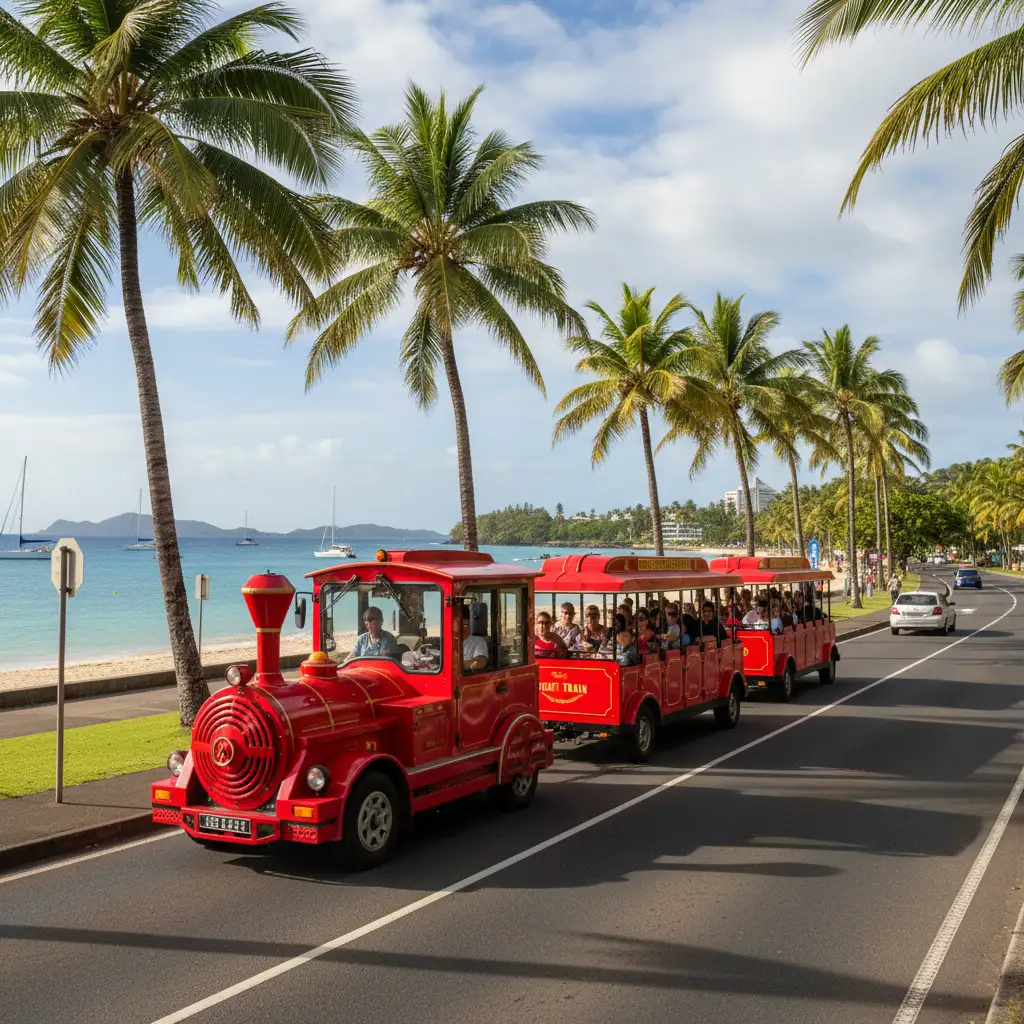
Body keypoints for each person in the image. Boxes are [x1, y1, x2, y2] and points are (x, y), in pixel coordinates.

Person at [460, 605, 489, 672]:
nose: (462, 628)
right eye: (458, 624)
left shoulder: (478, 641)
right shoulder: (446, 642)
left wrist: (456, 664)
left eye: (465, 624)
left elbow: (480, 662)